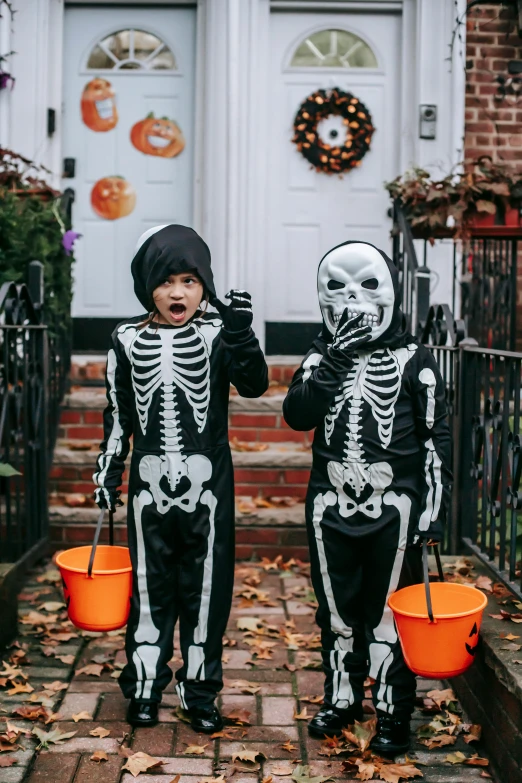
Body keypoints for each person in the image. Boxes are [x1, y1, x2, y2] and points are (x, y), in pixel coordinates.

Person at [92, 224, 268, 732]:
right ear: (148, 284)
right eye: (167, 281)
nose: (177, 292)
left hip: (208, 485)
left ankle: (199, 690)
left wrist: (240, 330)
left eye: (190, 281)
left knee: (206, 589)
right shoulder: (126, 339)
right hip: (149, 485)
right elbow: (118, 413)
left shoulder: (217, 333)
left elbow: (255, 384)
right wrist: (109, 471)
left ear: (204, 286)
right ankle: (145, 684)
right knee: (148, 589)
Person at [282, 241, 451, 755]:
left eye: (368, 285)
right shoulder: (319, 356)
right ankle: (343, 696)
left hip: (393, 509)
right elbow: (298, 415)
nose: (354, 299)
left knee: (386, 614)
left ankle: (393, 711)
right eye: (339, 287)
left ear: (392, 294)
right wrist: (332, 358)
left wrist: (432, 509)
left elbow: (436, 436)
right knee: (335, 610)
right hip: (329, 504)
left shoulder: (413, 359)